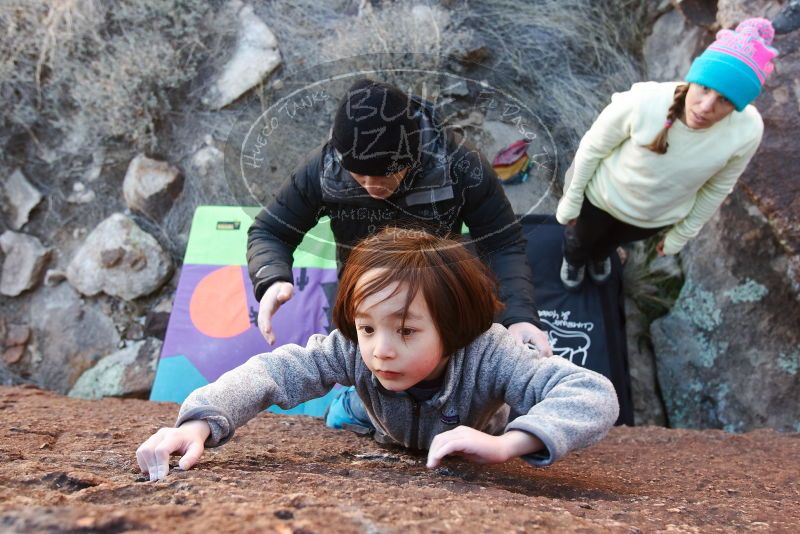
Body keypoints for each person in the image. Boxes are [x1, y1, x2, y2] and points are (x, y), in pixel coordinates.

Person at [136, 228, 618, 481]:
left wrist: (507, 445)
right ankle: (349, 407)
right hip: (376, 415)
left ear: (453, 329)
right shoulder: (357, 351)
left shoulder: (492, 354)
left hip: (464, 427)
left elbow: (591, 392)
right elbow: (273, 370)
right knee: (345, 409)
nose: (381, 349)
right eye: (366, 327)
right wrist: (197, 423)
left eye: (407, 330)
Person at [247, 78, 552, 356]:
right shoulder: (323, 169)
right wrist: (272, 277)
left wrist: (519, 316)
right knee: (369, 397)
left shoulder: (459, 164)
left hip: (439, 300)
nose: (371, 187)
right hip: (366, 307)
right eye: (359, 176)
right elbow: (271, 231)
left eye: (386, 175)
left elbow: (503, 243)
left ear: (413, 156)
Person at [556, 18, 778, 290]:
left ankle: (601, 257)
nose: (706, 106)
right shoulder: (642, 101)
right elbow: (592, 149)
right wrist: (572, 197)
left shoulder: (748, 130)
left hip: (652, 220)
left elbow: (717, 187)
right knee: (580, 240)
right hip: (601, 202)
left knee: (610, 243)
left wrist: (681, 235)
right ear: (694, 78)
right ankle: (575, 261)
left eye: (726, 100)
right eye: (705, 88)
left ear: (739, 106)